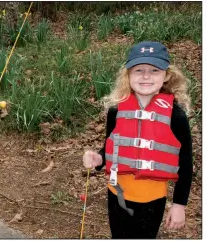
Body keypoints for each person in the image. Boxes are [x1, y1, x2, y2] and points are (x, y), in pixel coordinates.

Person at [82, 41, 193, 238]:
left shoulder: (176, 117)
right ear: (128, 74)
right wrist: (98, 159)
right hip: (117, 195)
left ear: (167, 75)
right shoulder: (116, 110)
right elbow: (110, 148)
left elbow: (185, 165)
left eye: (154, 70)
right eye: (139, 70)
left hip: (153, 200)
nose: (146, 76)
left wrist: (179, 205)